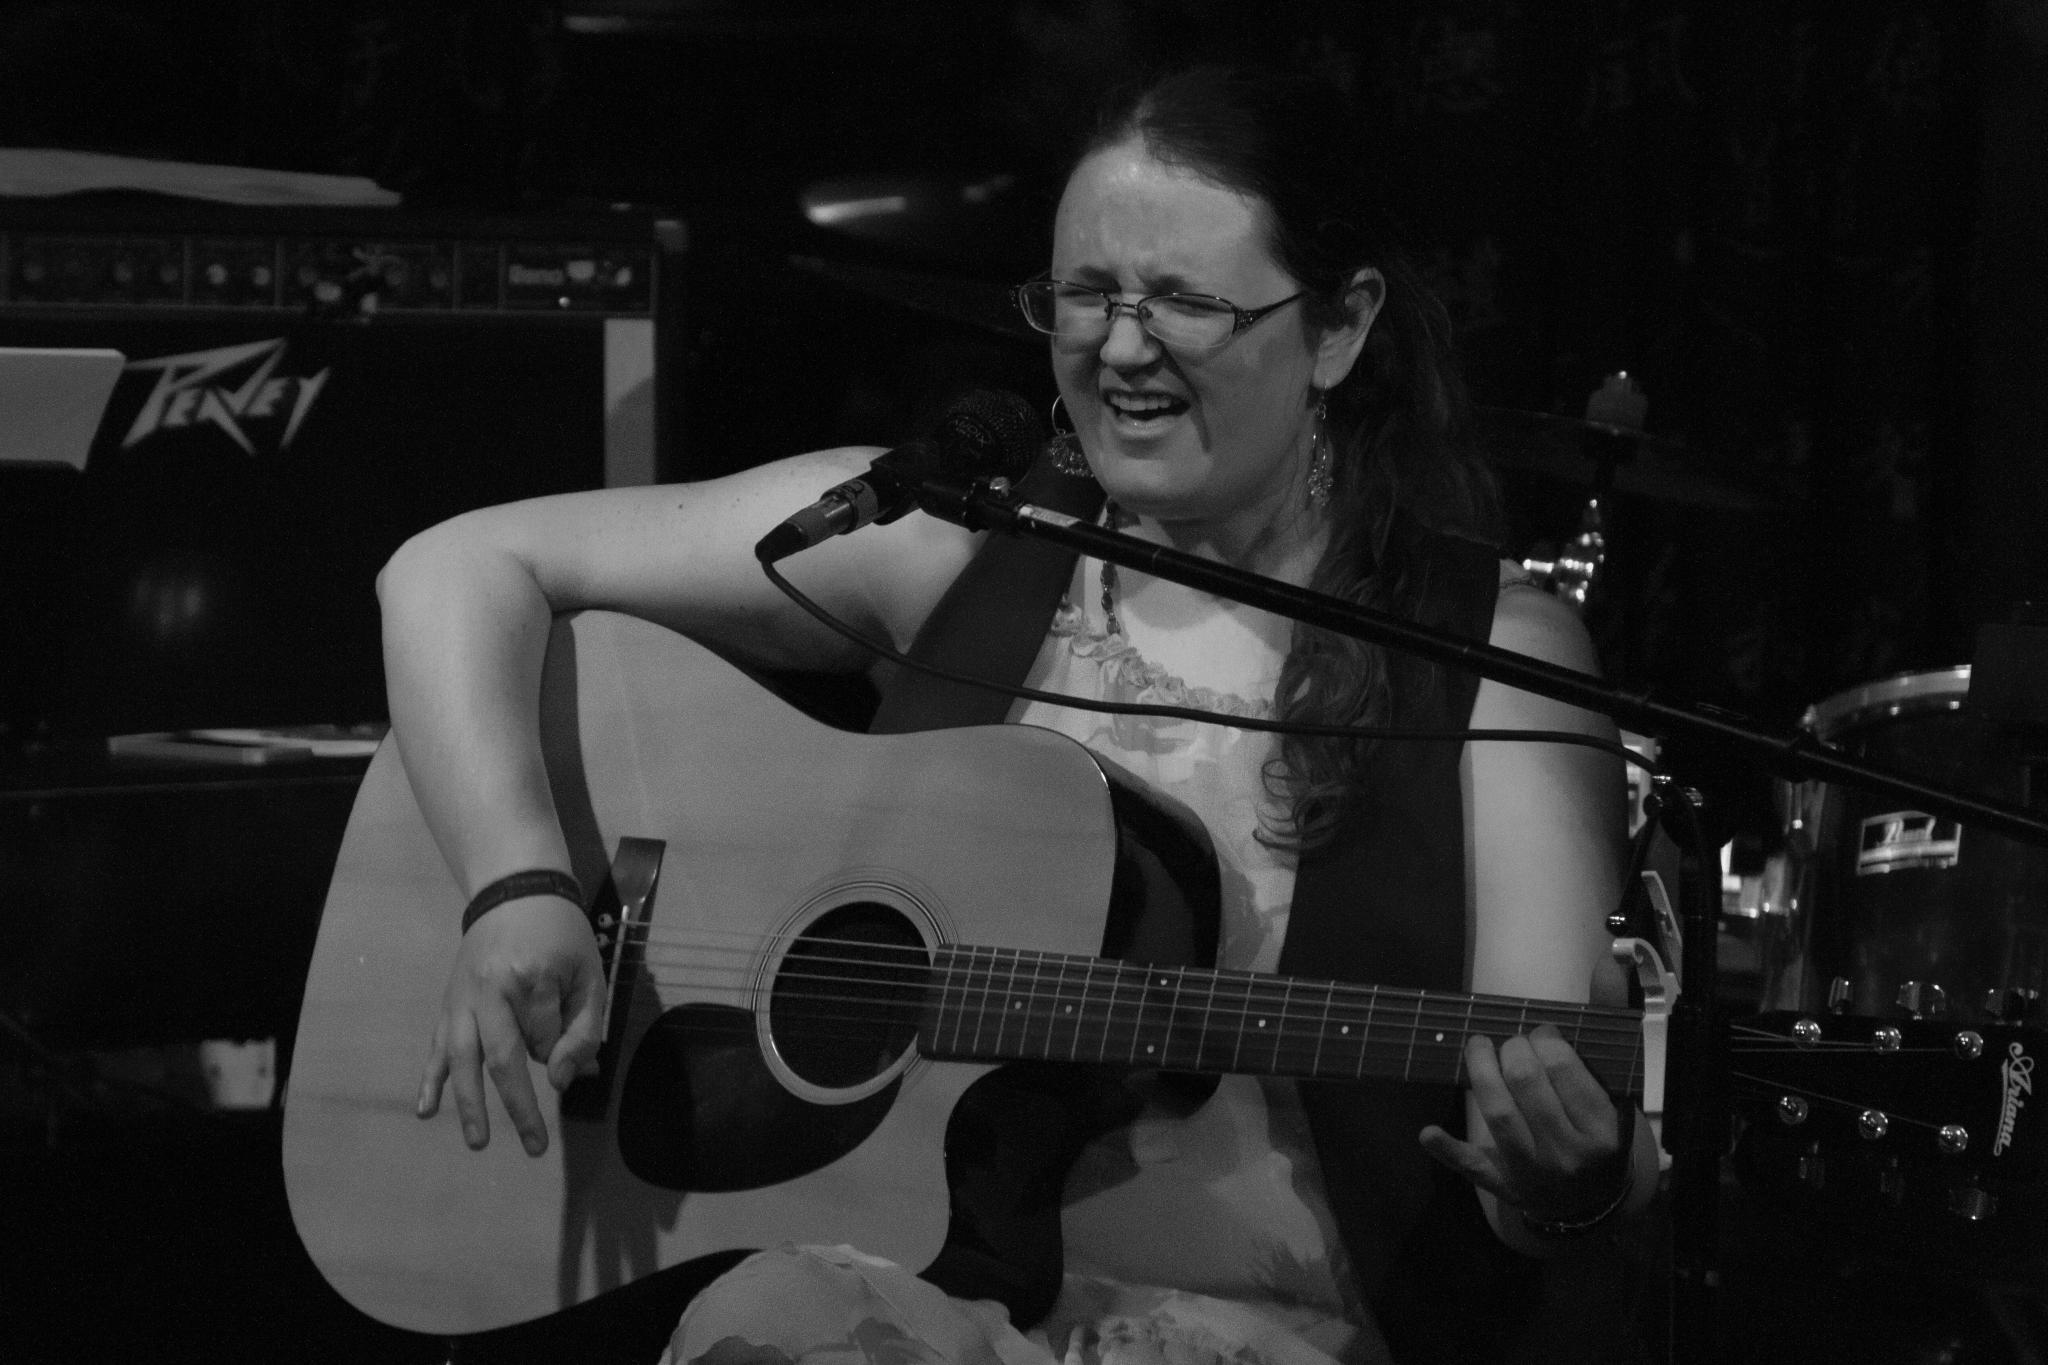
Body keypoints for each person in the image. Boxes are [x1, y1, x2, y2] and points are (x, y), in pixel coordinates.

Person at [380, 63, 1659, 1365]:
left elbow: (1531, 1167)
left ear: (1337, 328)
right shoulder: (957, 547)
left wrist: (1564, 1182)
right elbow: (455, 569)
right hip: (932, 1306)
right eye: (1087, 296)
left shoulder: (1491, 653)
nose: (1118, 347)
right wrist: (517, 882)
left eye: (1184, 302)